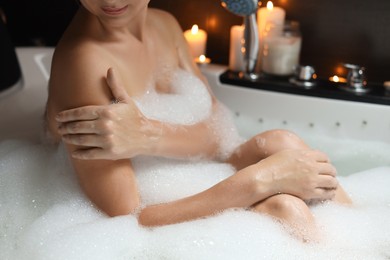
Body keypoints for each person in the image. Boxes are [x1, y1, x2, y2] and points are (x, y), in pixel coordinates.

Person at [45, 0, 351, 241]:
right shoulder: (84, 64)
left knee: (282, 142)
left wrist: (148, 134)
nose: (110, 0)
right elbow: (127, 221)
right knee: (287, 210)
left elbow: (216, 133)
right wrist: (260, 181)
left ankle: (367, 241)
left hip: (191, 178)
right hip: (152, 215)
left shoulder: (163, 24)